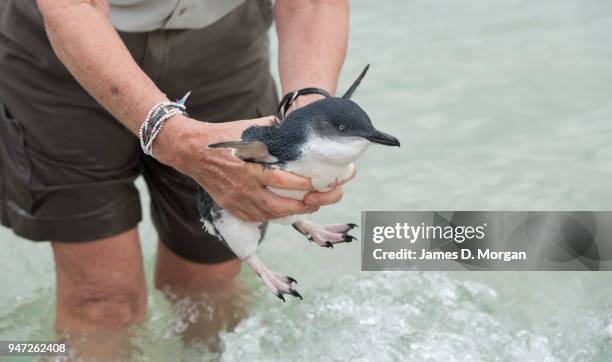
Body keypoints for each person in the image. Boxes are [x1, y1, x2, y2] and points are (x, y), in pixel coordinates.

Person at [0, 0, 349, 356]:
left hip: (223, 51)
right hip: (64, 58)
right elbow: (70, 7)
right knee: (101, 301)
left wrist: (309, 115)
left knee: (207, 287)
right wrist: (174, 139)